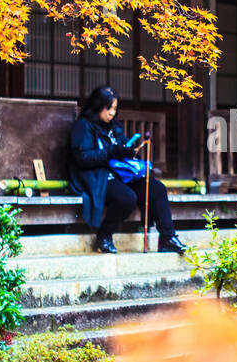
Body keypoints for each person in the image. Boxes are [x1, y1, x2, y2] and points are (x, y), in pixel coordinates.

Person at [68, 84, 186, 255]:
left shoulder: (114, 126)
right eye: (108, 108)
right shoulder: (83, 126)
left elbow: (120, 148)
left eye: (114, 108)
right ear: (97, 106)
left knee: (156, 188)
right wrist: (113, 152)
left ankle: (167, 237)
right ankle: (104, 236)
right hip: (96, 177)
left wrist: (129, 151)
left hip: (120, 175)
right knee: (126, 197)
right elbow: (82, 158)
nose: (111, 113)